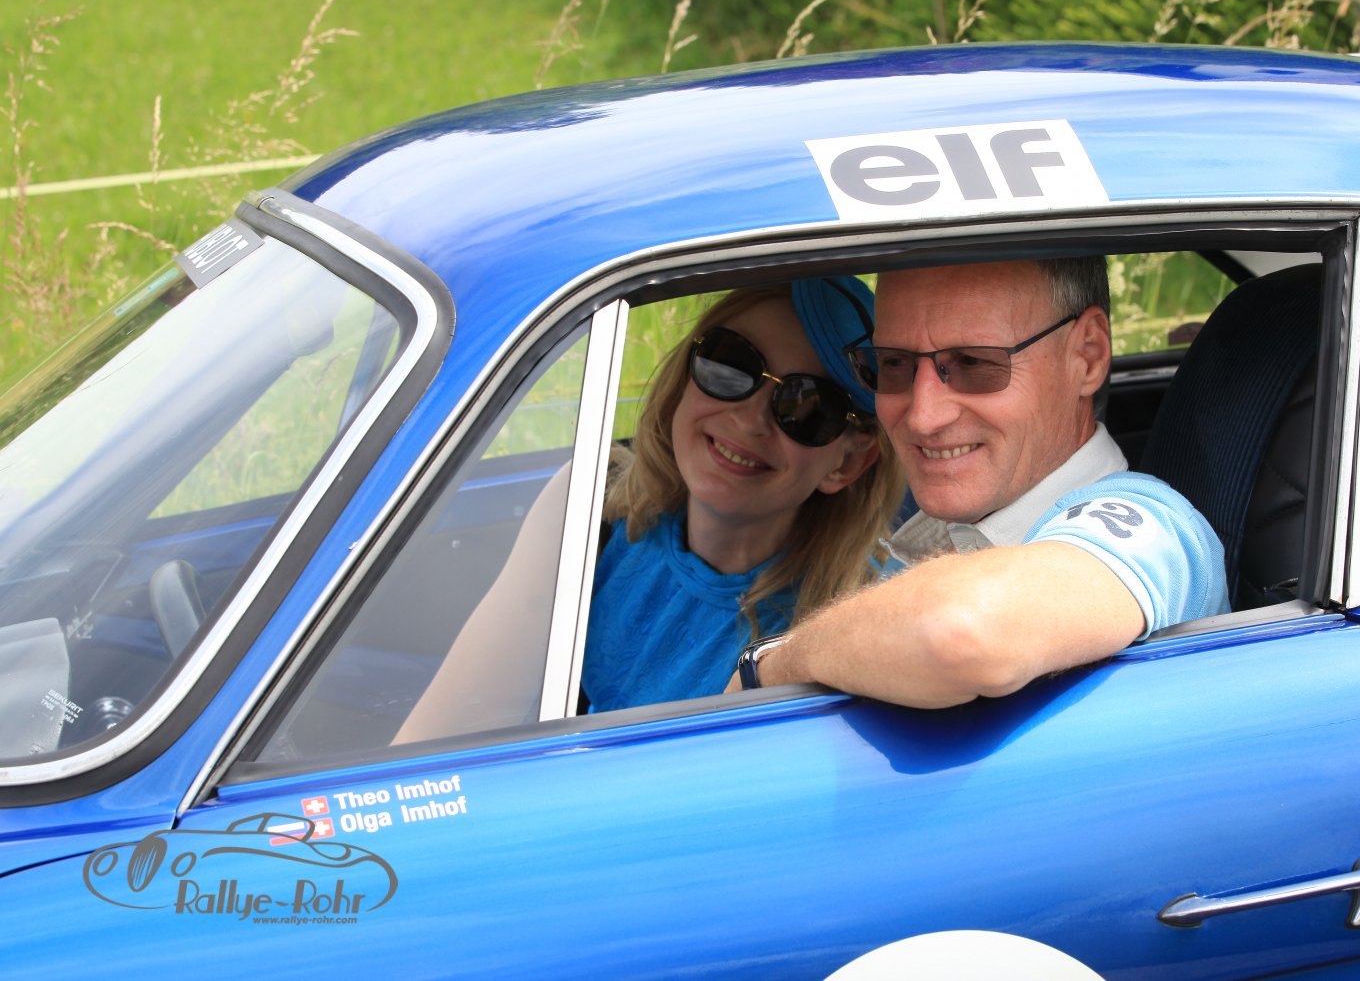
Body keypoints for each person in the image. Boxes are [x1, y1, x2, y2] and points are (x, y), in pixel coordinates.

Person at [397, 276, 903, 739]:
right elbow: (455, 721)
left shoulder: (850, 619)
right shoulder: (591, 501)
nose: (750, 421)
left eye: (807, 407)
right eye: (731, 366)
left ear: (848, 463)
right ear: (686, 375)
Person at [728, 257, 1228, 709]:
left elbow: (960, 630)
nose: (923, 417)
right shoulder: (939, 532)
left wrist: (771, 668)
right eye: (893, 364)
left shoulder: (1154, 526)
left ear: (1088, 356)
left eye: (975, 363)